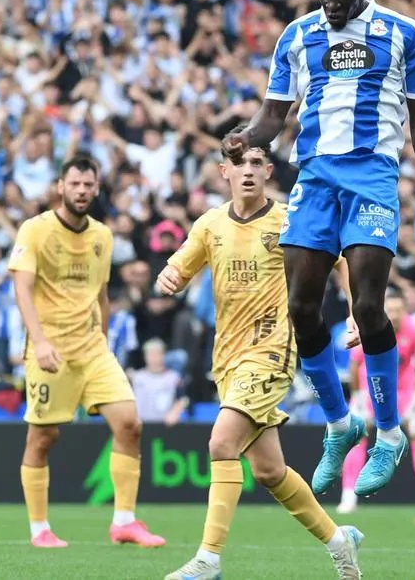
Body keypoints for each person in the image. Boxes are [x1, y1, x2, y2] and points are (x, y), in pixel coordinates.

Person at [222, 0, 415, 497]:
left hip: (373, 174)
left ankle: (389, 433)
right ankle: (338, 423)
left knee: (368, 305)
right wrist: (244, 138)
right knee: (303, 306)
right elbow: (273, 114)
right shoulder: (297, 35)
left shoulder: (402, 33)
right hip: (316, 176)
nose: (329, 5)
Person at [157, 144, 364, 580]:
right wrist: (169, 277)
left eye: (256, 163)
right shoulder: (210, 224)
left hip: (271, 352)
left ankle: (209, 559)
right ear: (223, 171)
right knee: (269, 471)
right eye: (239, 164)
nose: (248, 171)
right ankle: (339, 542)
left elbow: (340, 261)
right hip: (228, 360)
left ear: (269, 170)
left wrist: (354, 311)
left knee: (221, 444)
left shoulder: (290, 218)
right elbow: (179, 268)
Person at [8, 156, 165, 549]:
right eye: (74, 184)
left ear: (96, 189)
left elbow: (101, 297)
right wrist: (40, 341)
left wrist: (105, 342)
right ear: (61, 186)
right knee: (43, 438)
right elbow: (22, 288)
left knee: (130, 423)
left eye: (87, 185)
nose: (81, 191)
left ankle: (124, 522)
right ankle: (39, 528)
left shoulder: (103, 236)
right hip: (50, 350)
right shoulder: (36, 230)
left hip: (93, 349)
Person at [340, 290, 415, 517]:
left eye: (398, 310)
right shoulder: (368, 326)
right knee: (356, 436)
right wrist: (358, 398)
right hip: (370, 388)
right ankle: (348, 496)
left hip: (405, 389)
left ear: (405, 311)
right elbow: (354, 366)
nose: (393, 315)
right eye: (389, 310)